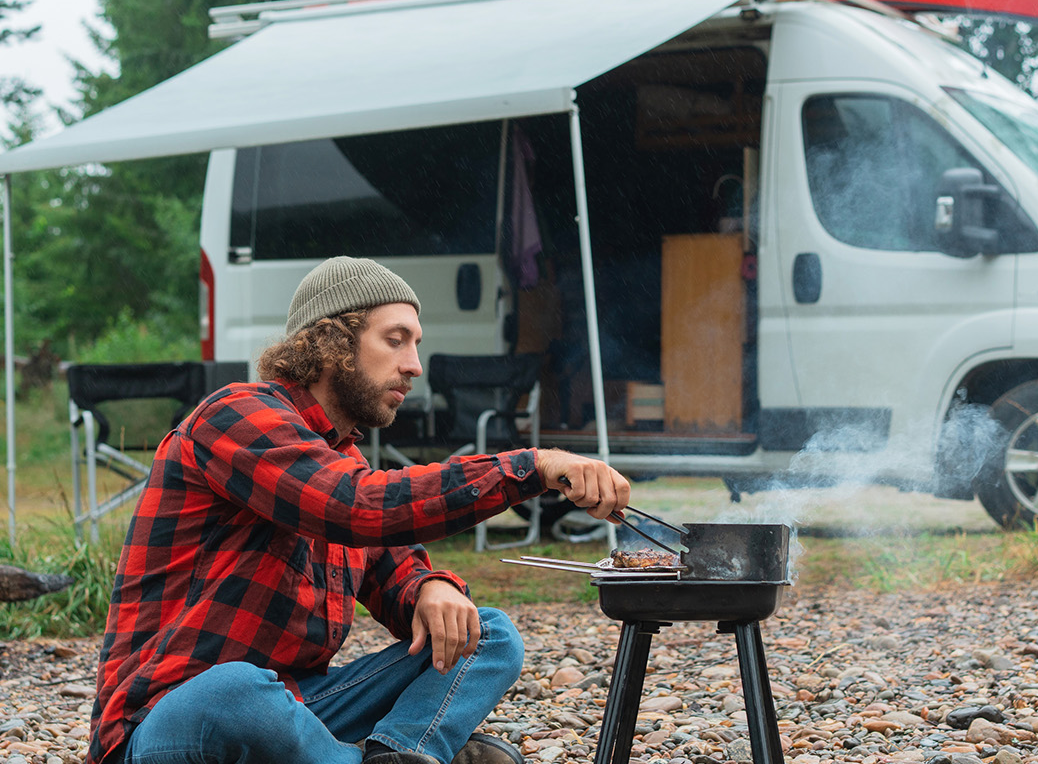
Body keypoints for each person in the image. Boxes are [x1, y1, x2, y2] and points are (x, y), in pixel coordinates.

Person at [88, 256, 632, 764]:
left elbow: (394, 565)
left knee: (489, 635)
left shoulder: (342, 458)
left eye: (416, 344)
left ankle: (400, 752)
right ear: (331, 343)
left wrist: (429, 588)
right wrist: (531, 466)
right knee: (237, 689)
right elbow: (356, 507)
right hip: (167, 717)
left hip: (306, 707)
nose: (414, 365)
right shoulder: (236, 416)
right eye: (395, 341)